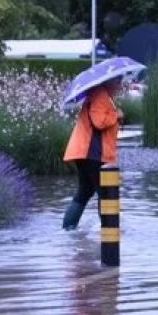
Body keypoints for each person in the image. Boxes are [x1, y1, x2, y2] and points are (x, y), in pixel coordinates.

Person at [61, 76, 123, 230]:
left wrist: (114, 115)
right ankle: (110, 230)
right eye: (118, 82)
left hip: (85, 152)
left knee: (85, 191)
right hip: (92, 153)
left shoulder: (99, 95)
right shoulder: (100, 95)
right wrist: (116, 115)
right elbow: (99, 121)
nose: (120, 86)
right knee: (106, 192)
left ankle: (68, 230)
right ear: (110, 82)